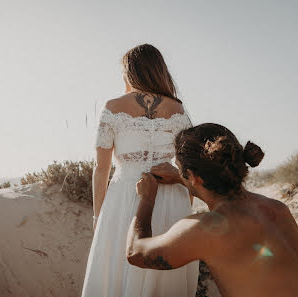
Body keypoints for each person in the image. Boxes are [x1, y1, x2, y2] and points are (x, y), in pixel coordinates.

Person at [126, 123, 298, 297]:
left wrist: (146, 200)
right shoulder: (278, 209)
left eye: (179, 167)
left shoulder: (207, 229)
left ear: (194, 177)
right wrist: (183, 178)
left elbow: (135, 253)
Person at [81, 44, 199, 297]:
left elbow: (100, 168)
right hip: (172, 196)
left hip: (125, 198)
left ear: (129, 72)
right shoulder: (178, 110)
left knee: (120, 267)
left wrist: (98, 217)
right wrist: (185, 208)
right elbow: (187, 166)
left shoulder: (113, 107)